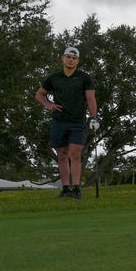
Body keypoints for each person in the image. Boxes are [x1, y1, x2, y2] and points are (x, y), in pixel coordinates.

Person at [35, 47, 99, 199]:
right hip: (59, 121)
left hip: (77, 121)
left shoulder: (85, 78)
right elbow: (39, 94)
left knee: (75, 153)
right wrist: (49, 105)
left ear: (78, 61)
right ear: (62, 58)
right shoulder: (54, 78)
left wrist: (94, 117)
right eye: (68, 57)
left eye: (74, 58)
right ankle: (65, 189)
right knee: (62, 154)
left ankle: (76, 189)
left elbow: (90, 98)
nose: (71, 60)